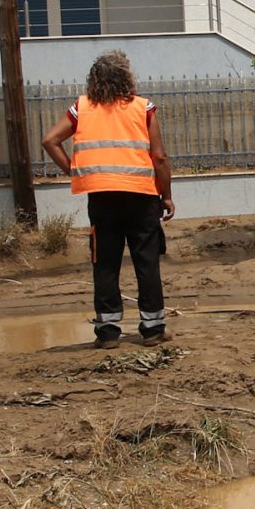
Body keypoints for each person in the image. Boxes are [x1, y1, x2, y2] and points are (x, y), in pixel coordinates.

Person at [42, 51, 173, 348]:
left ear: (95, 79)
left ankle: (108, 332)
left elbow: (49, 140)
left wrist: (74, 171)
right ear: (127, 77)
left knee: (105, 263)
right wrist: (166, 195)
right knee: (147, 262)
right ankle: (152, 329)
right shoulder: (144, 108)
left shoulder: (82, 107)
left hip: (101, 198)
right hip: (141, 196)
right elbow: (160, 157)